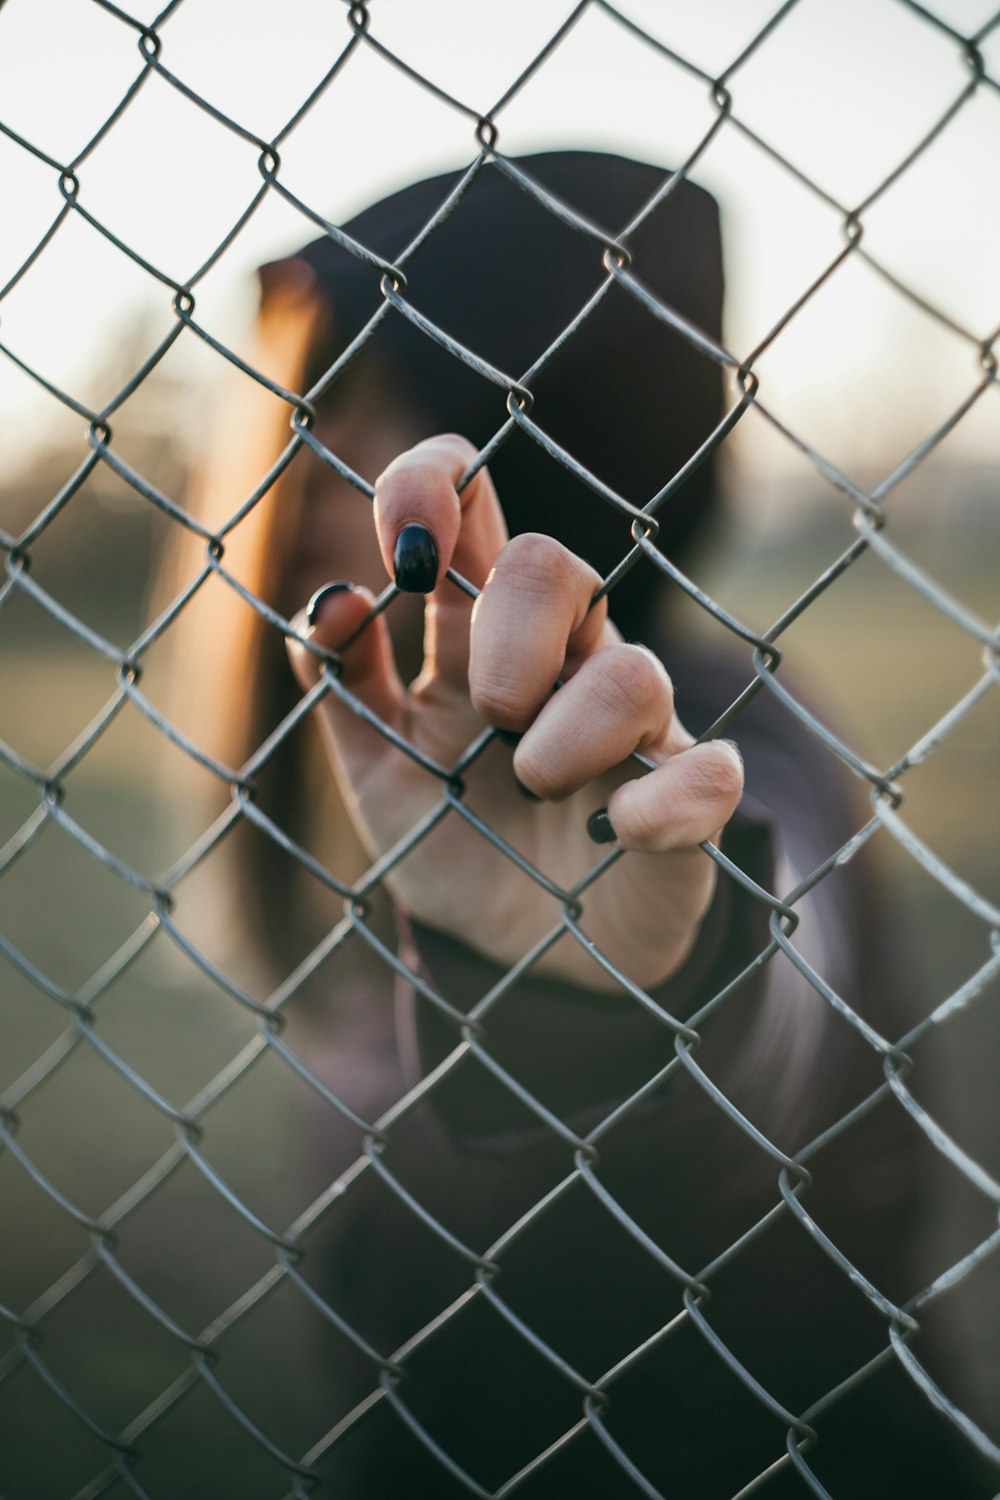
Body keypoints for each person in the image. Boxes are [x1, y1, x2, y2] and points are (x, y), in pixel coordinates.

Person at [177, 152, 989, 1497]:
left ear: (524, 454)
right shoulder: (401, 780)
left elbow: (779, 1005)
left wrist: (632, 999)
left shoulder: (718, 731)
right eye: (306, 434)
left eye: (374, 432)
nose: (310, 496)